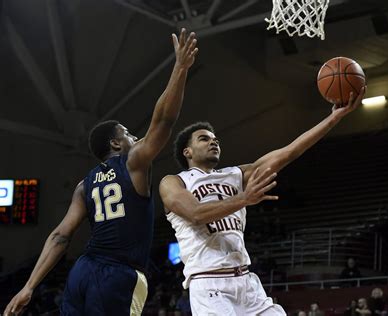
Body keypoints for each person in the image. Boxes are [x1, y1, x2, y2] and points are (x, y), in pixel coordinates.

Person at [3, 29, 198, 316]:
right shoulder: (134, 162)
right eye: (129, 134)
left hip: (82, 273)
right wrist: (180, 68)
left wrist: (29, 286)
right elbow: (164, 120)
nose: (135, 138)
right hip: (118, 276)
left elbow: (60, 236)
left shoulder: (84, 185)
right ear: (116, 143)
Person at [159, 89, 366, 314]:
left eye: (215, 139)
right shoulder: (173, 182)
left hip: (246, 282)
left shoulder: (235, 175)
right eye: (204, 138)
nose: (213, 142)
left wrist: (334, 117)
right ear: (187, 151)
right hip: (209, 284)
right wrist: (244, 199)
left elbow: (290, 152)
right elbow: (196, 214)